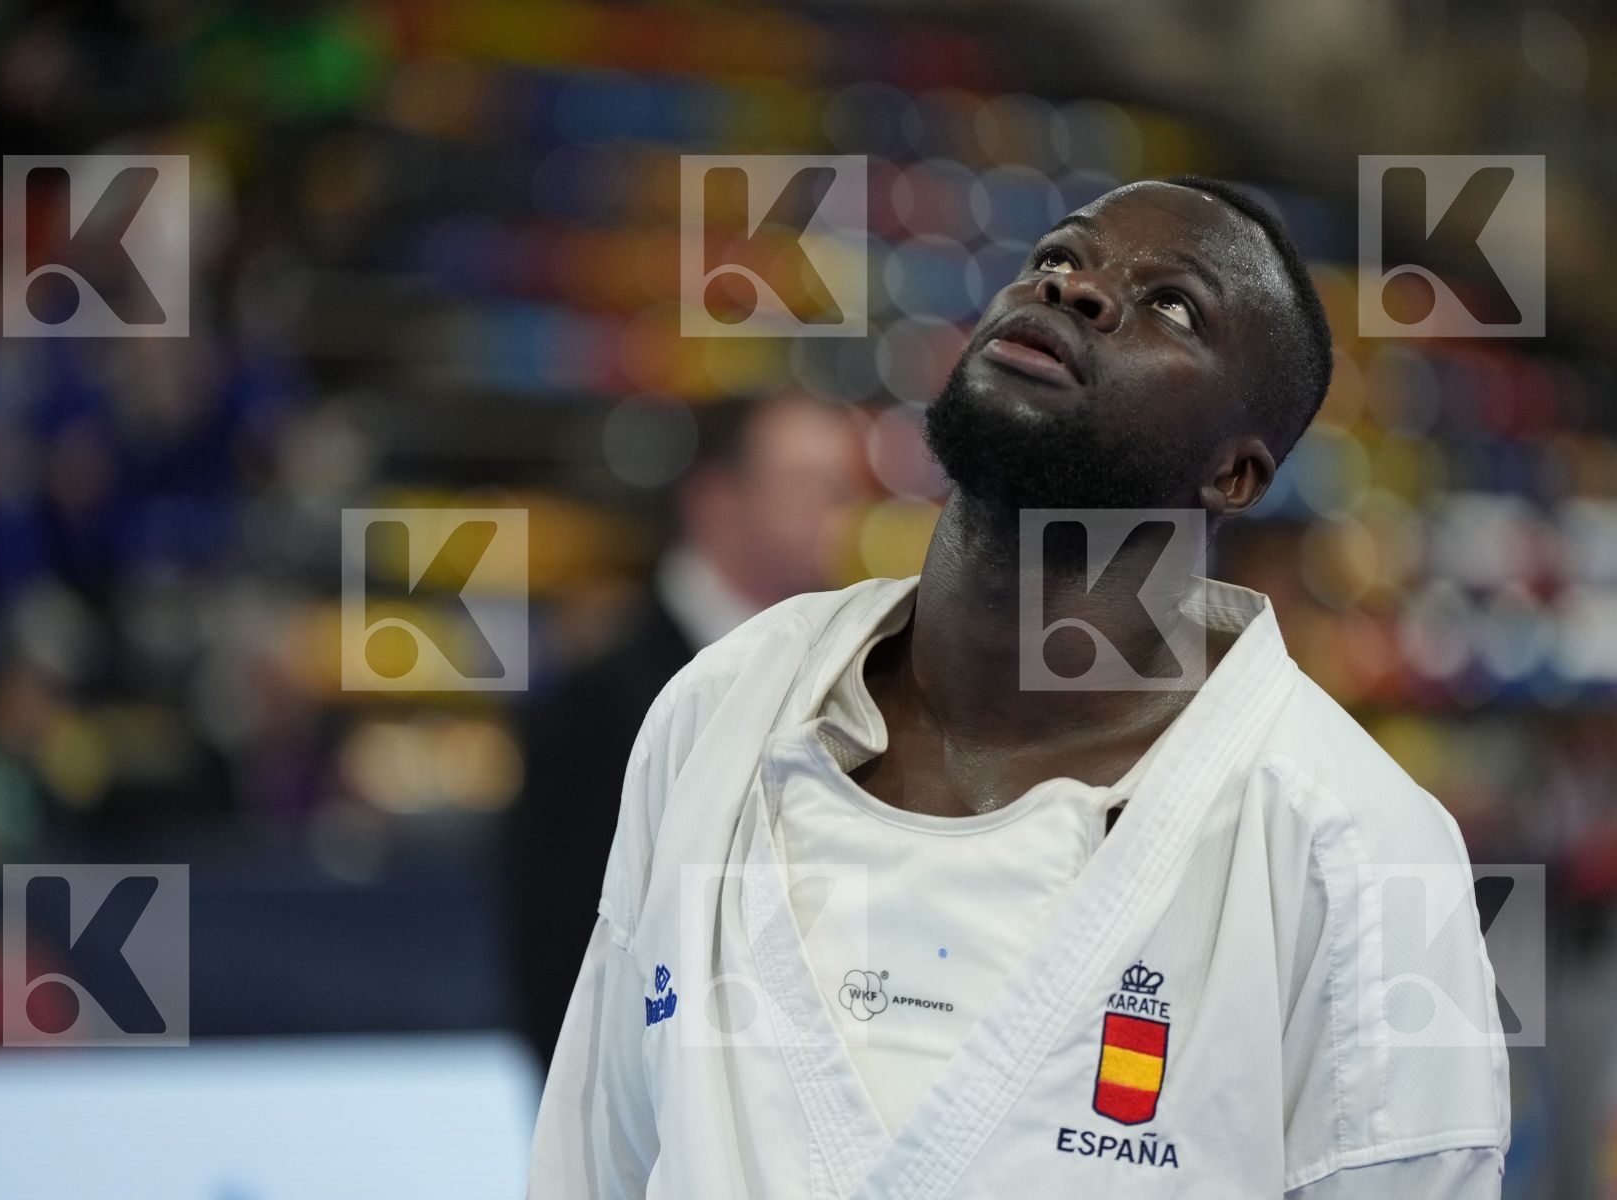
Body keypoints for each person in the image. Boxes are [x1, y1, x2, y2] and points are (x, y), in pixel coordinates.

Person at [526, 178, 1510, 1199]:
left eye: (1173, 305)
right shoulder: (723, 705)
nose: (1076, 289)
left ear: (1236, 474)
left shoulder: (1360, 848)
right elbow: (589, 1167)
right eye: (1056, 257)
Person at [504, 393, 866, 1069]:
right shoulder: (598, 700)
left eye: (843, 490)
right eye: (804, 486)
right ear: (714, 502)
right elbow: (560, 952)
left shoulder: (857, 683)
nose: (835, 516)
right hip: (653, 1095)